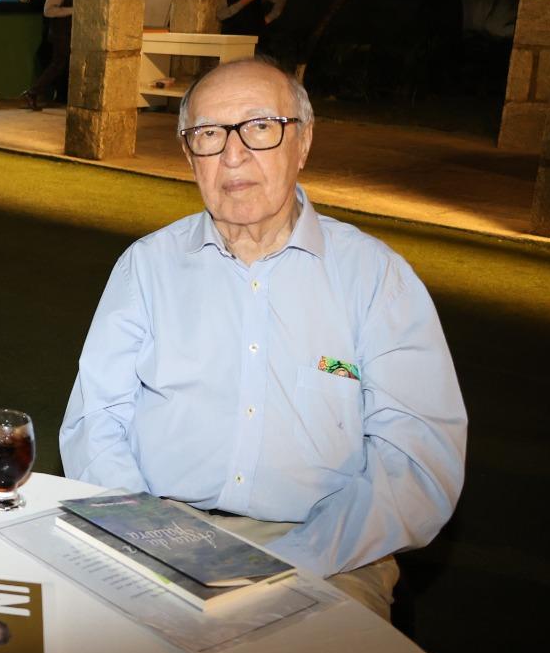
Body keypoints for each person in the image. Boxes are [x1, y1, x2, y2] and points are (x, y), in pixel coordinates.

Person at [57, 59, 465, 620]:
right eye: (209, 134)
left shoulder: (374, 279)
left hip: (328, 551)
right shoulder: (146, 267)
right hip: (162, 528)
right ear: (189, 155)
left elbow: (417, 461)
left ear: (303, 142)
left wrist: (290, 561)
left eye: (259, 127)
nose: (233, 155)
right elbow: (94, 423)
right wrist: (155, 539)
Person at [21, 0, 74, 111]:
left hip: (67, 33)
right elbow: (49, 11)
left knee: (60, 65)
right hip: (60, 34)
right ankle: (33, 92)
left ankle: (36, 93)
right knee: (58, 65)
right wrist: (73, 10)